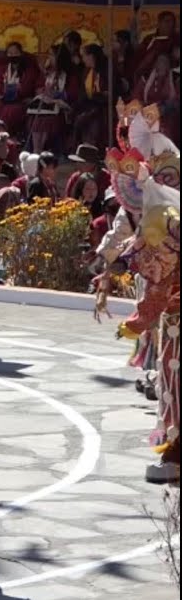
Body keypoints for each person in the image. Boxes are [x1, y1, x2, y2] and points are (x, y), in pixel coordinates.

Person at [113, 175, 180, 484]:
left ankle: (175, 453)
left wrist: (134, 325)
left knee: (175, 386)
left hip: (175, 328)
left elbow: (155, 297)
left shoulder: (167, 250)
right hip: (172, 326)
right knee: (169, 383)